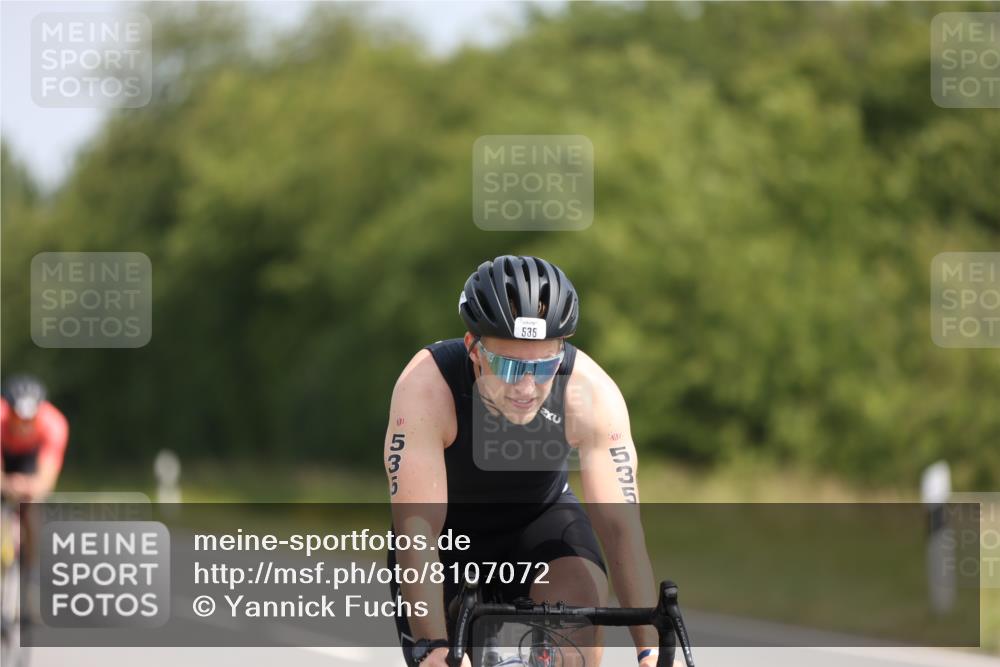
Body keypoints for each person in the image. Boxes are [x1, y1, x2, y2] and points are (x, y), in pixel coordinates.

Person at [385, 256, 669, 666]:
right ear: (473, 349)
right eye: (509, 365)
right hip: (445, 540)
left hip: (541, 527)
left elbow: (621, 528)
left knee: (580, 617)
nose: (526, 387)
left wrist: (651, 651)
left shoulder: (590, 392)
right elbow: (417, 528)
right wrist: (433, 644)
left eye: (543, 366)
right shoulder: (427, 386)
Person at [1, 374, 69, 591]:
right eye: (18, 418)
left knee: (32, 509)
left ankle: (30, 572)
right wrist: (5, 484)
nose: (23, 425)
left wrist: (31, 488)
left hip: (31, 460)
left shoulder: (55, 424)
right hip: (4, 455)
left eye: (29, 419)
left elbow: (46, 479)